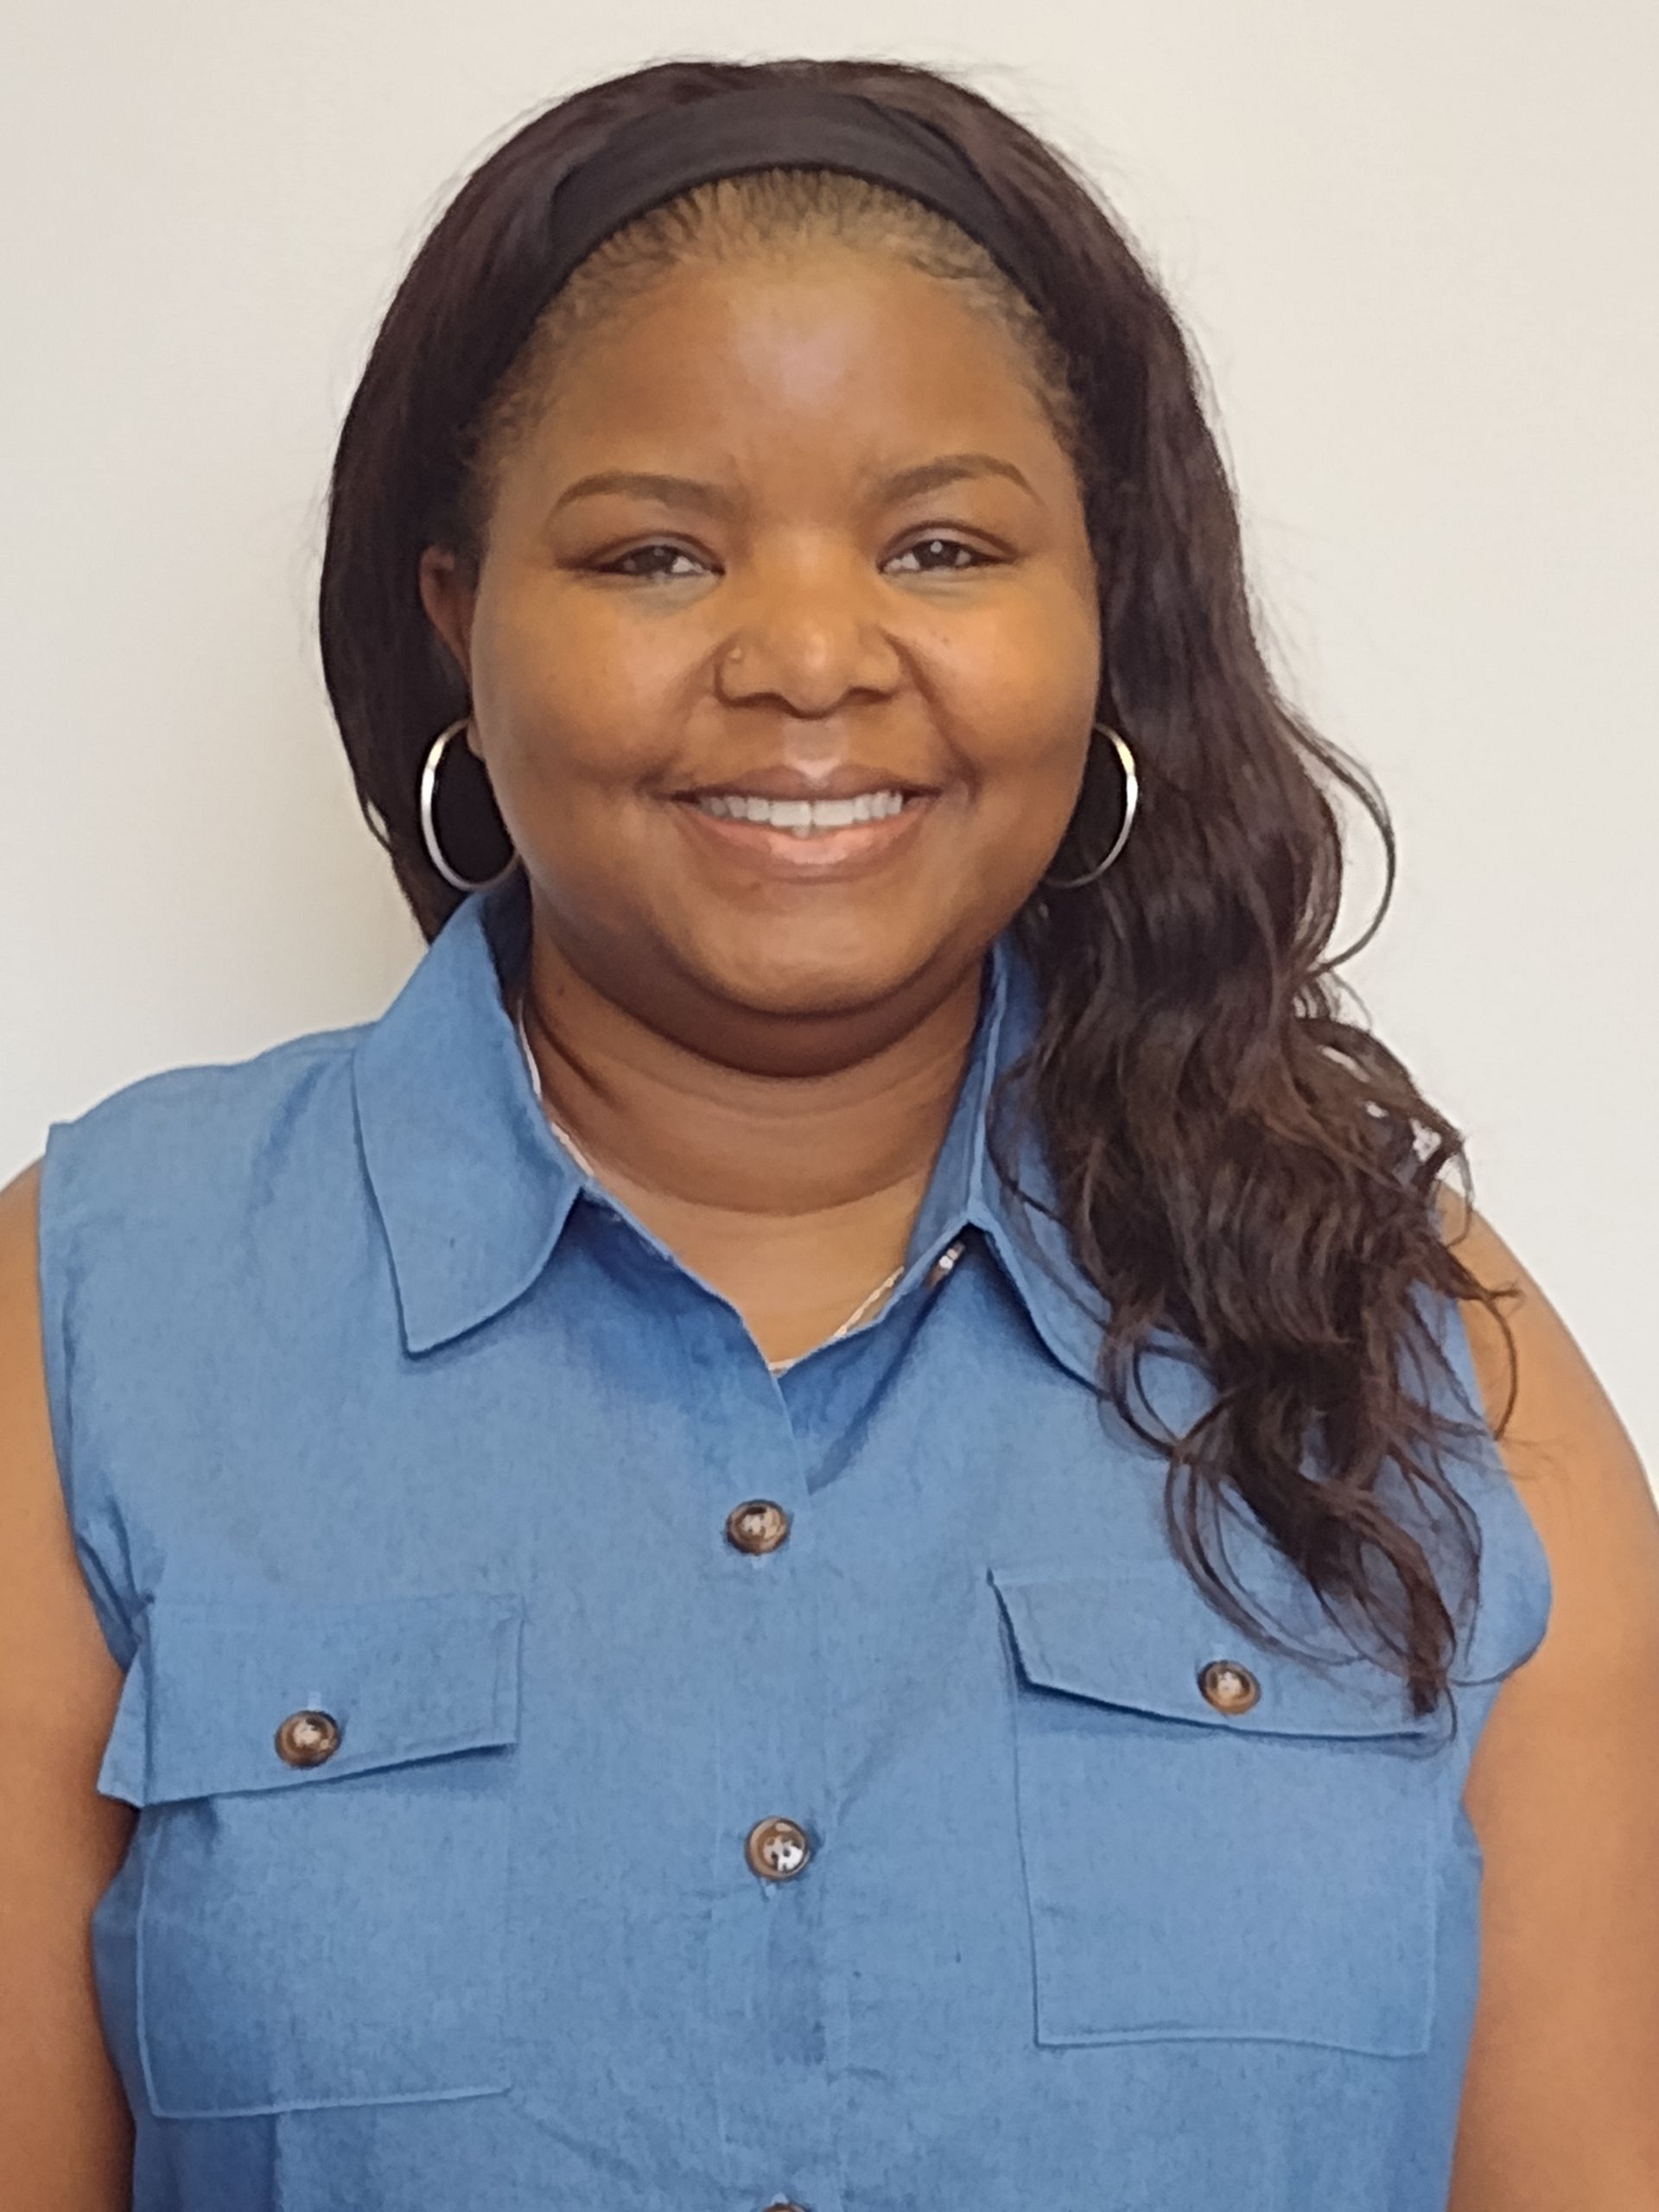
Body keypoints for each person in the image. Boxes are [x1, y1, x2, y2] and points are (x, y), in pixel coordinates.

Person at [2, 54, 1655, 2212]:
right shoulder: (100, 1315)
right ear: (460, 622)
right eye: (656, 553)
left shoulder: (1412, 1341)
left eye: (942, 545)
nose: (804, 657)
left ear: (1104, 612)